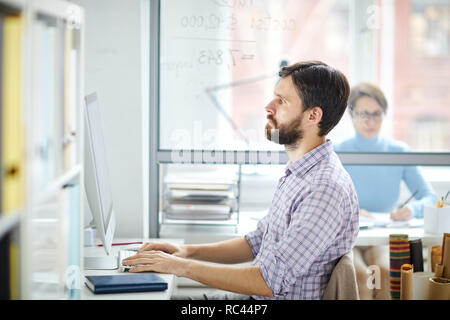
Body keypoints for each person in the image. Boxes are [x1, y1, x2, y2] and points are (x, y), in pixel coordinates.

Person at [122, 61, 360, 300]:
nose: (269, 107)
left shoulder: (324, 188)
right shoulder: (299, 173)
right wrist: (186, 252)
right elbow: (256, 242)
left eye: (282, 101)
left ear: (313, 115)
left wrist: (177, 266)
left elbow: (269, 281)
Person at [334, 82, 437, 299]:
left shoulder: (398, 151)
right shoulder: (338, 151)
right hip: (348, 236)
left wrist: (412, 208)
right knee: (360, 276)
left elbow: (430, 196)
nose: (371, 121)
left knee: (383, 272)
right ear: (351, 115)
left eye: (377, 114)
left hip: (382, 234)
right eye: (364, 114)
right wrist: (351, 211)